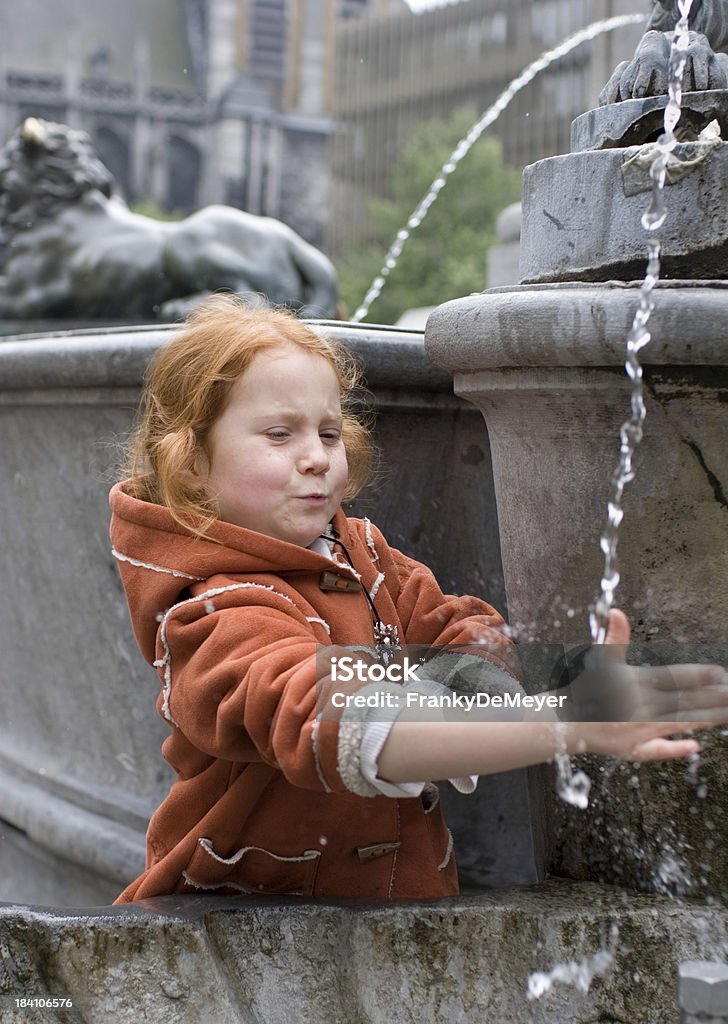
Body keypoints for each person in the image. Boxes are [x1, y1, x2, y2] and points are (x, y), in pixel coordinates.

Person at [109, 294, 728, 903]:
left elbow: (456, 629)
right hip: (245, 937)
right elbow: (320, 709)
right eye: (279, 434)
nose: (316, 459)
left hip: (388, 905)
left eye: (329, 432)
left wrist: (556, 680)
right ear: (189, 461)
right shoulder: (214, 608)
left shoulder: (359, 552)